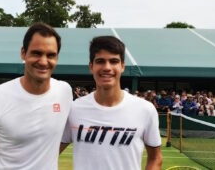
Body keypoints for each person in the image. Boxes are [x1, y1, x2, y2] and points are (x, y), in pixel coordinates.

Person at [0, 22, 73, 170]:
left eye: (51, 55)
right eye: (37, 53)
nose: (43, 61)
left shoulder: (64, 91)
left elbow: (66, 135)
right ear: (23, 53)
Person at [60, 36, 162, 170]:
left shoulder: (145, 110)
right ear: (91, 66)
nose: (107, 67)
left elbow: (155, 158)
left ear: (122, 66)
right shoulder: (74, 109)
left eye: (114, 61)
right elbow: (47, 154)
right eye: (100, 61)